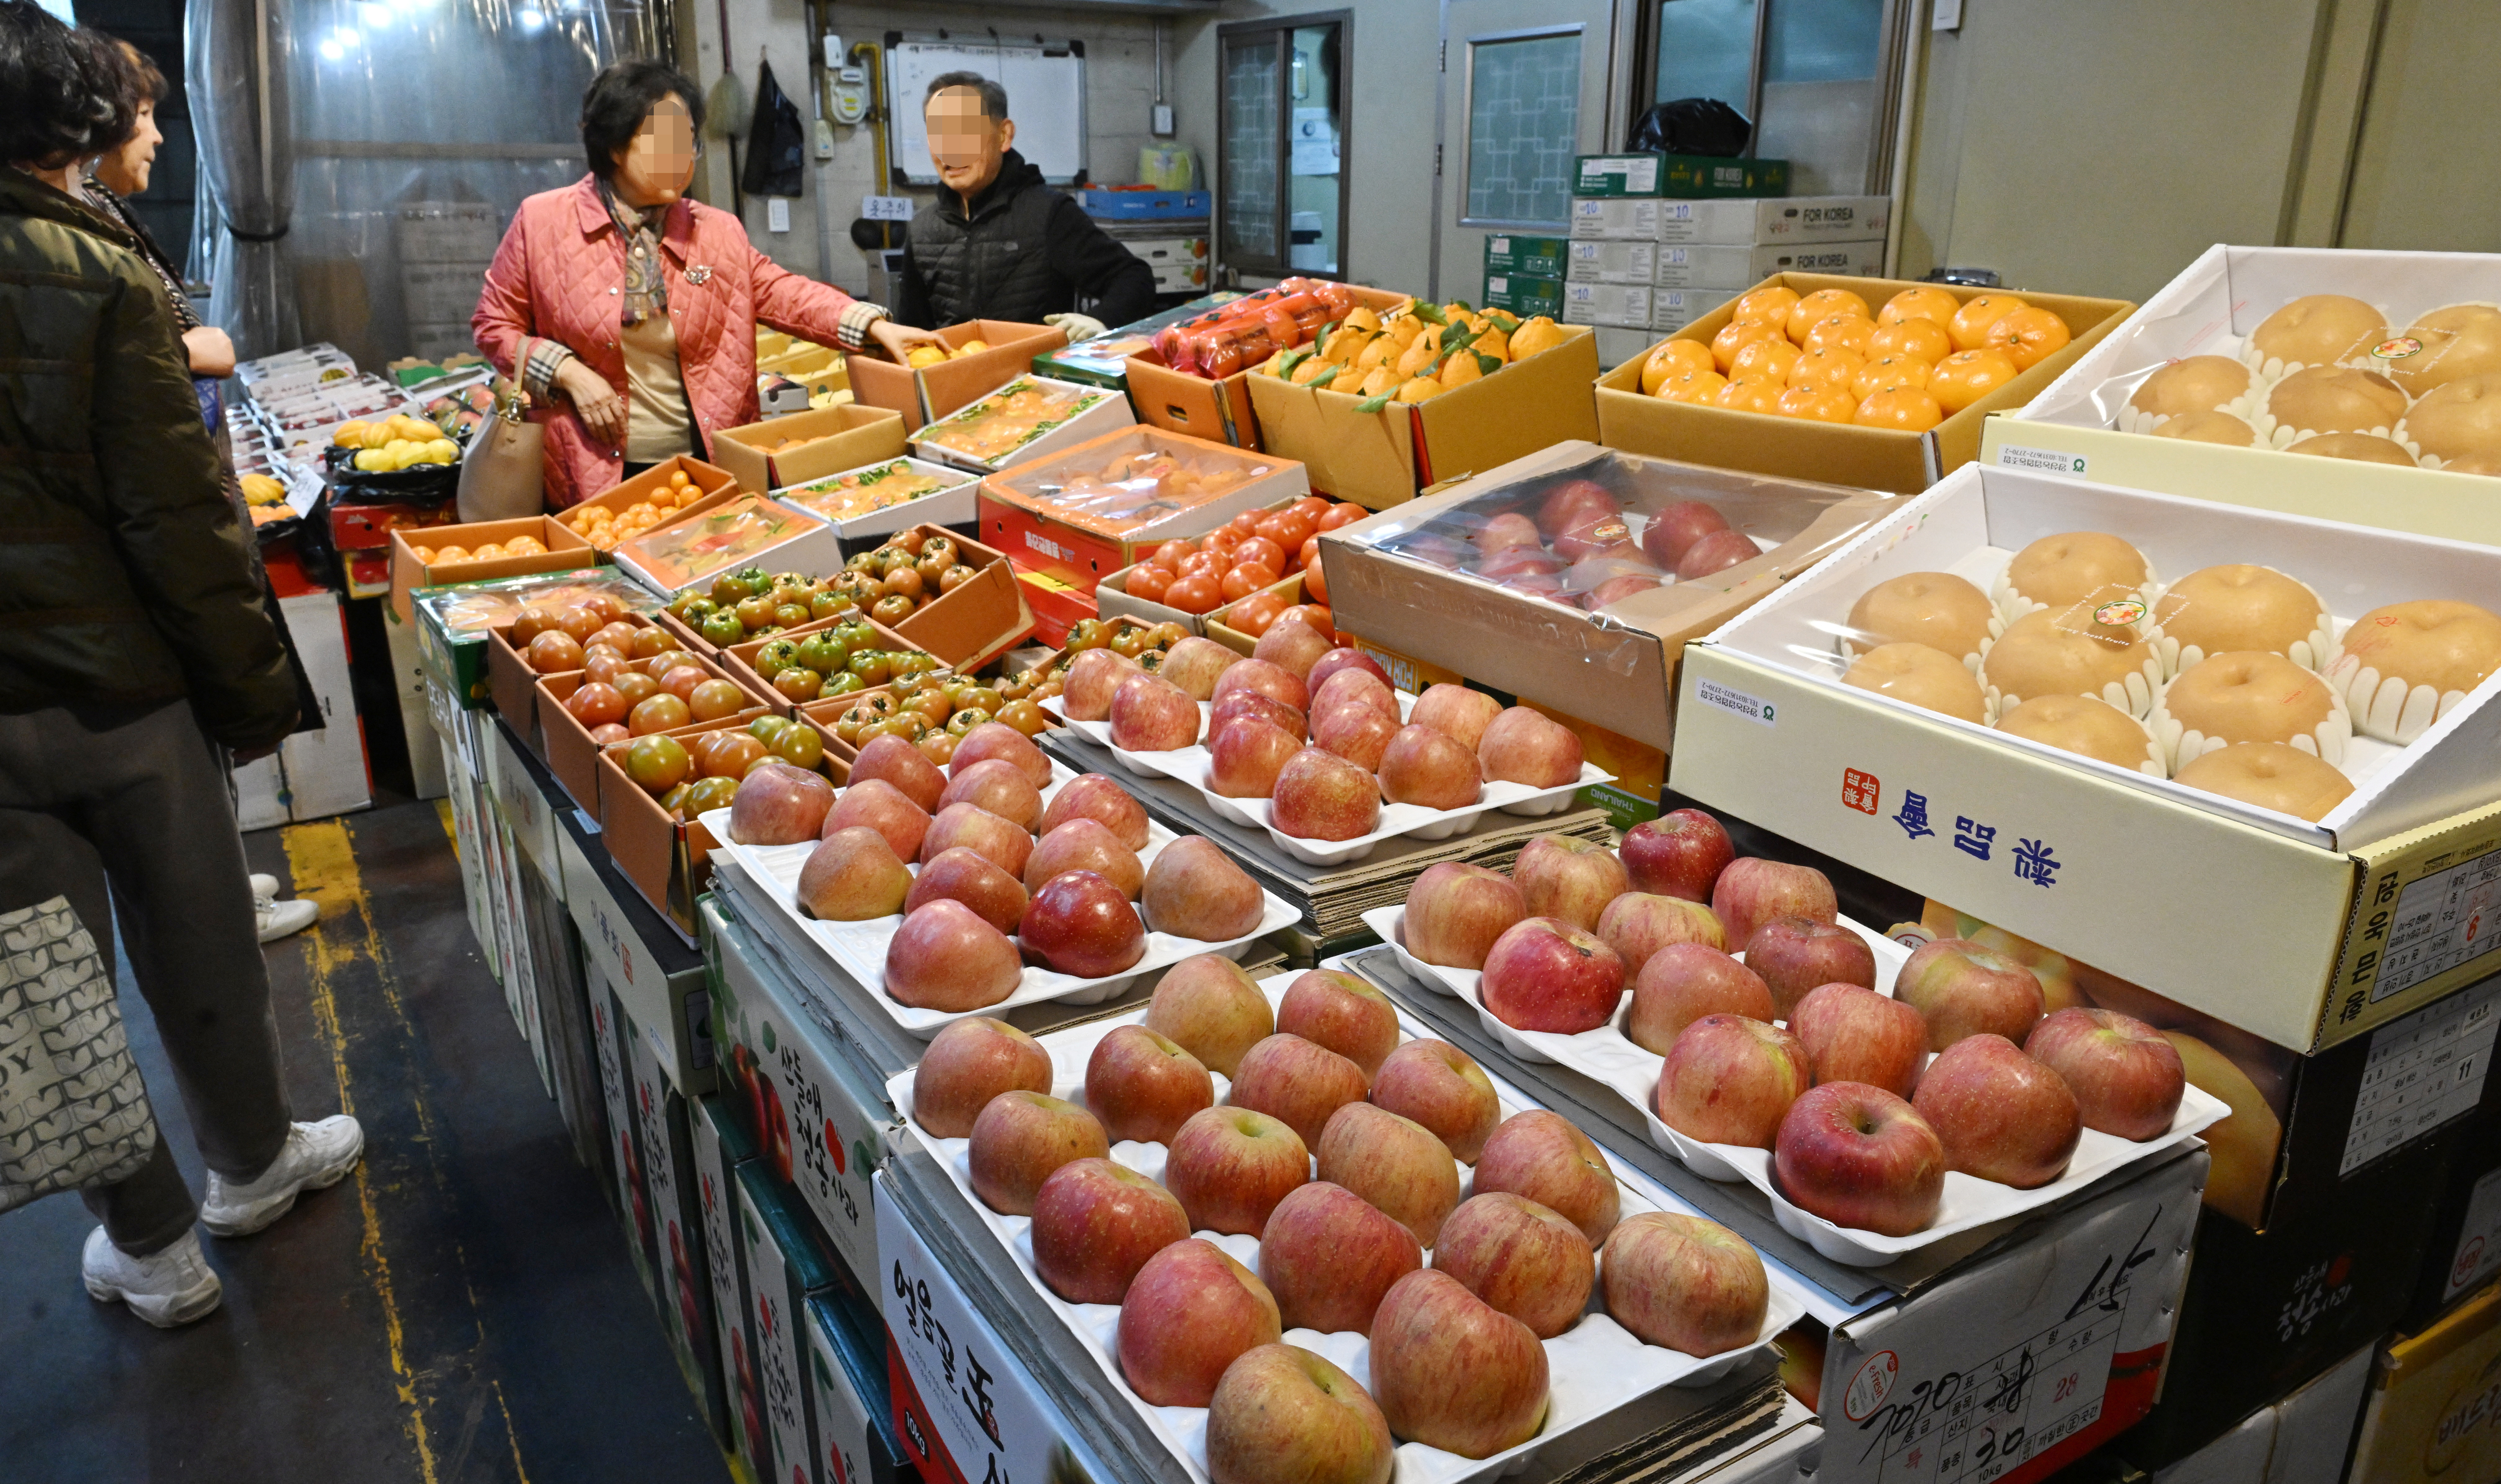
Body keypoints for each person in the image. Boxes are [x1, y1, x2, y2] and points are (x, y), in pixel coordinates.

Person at [0, 0, 363, 1328]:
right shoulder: (96, 268)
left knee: (42, 974)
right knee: (197, 926)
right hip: (126, 683)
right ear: (75, 120)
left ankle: (151, 1245)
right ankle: (253, 1162)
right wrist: (249, 687)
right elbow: (177, 510)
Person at [83, 37, 320, 943]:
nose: (157, 136)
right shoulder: (85, 236)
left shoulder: (102, 216)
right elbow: (191, 347)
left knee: (201, 772)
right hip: (157, 543)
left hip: (185, 504)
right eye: (142, 116)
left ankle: (217, 880)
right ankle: (210, 904)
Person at [474, 60, 944, 508]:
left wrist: (872, 325)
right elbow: (495, 325)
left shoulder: (715, 231)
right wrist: (568, 372)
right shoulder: (544, 223)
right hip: (592, 470)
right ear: (615, 147)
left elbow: (783, 292)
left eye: (689, 143)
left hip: (709, 465)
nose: (682, 159)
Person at [894, 73, 1159, 341]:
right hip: (955, 377)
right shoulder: (922, 229)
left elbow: (1134, 278)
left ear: (1003, 135)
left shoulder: (1048, 213)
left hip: (1036, 379)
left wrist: (1100, 320)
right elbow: (913, 330)